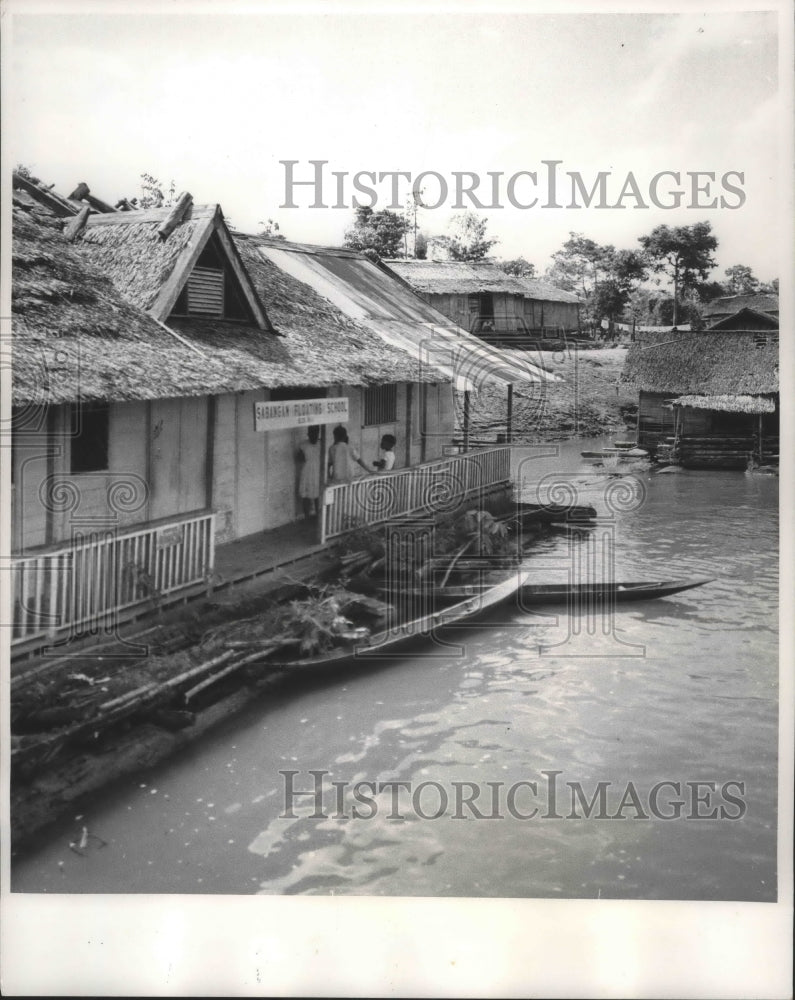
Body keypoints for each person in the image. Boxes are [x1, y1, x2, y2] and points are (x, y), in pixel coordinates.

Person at [296, 425, 321, 518]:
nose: (313, 436)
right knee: (306, 495)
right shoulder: (303, 445)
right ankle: (307, 516)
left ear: (318, 434)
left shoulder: (321, 443)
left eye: (315, 434)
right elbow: (299, 459)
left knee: (318, 495)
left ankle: (319, 516)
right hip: (307, 473)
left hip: (318, 472)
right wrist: (300, 455)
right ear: (308, 434)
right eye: (311, 434)